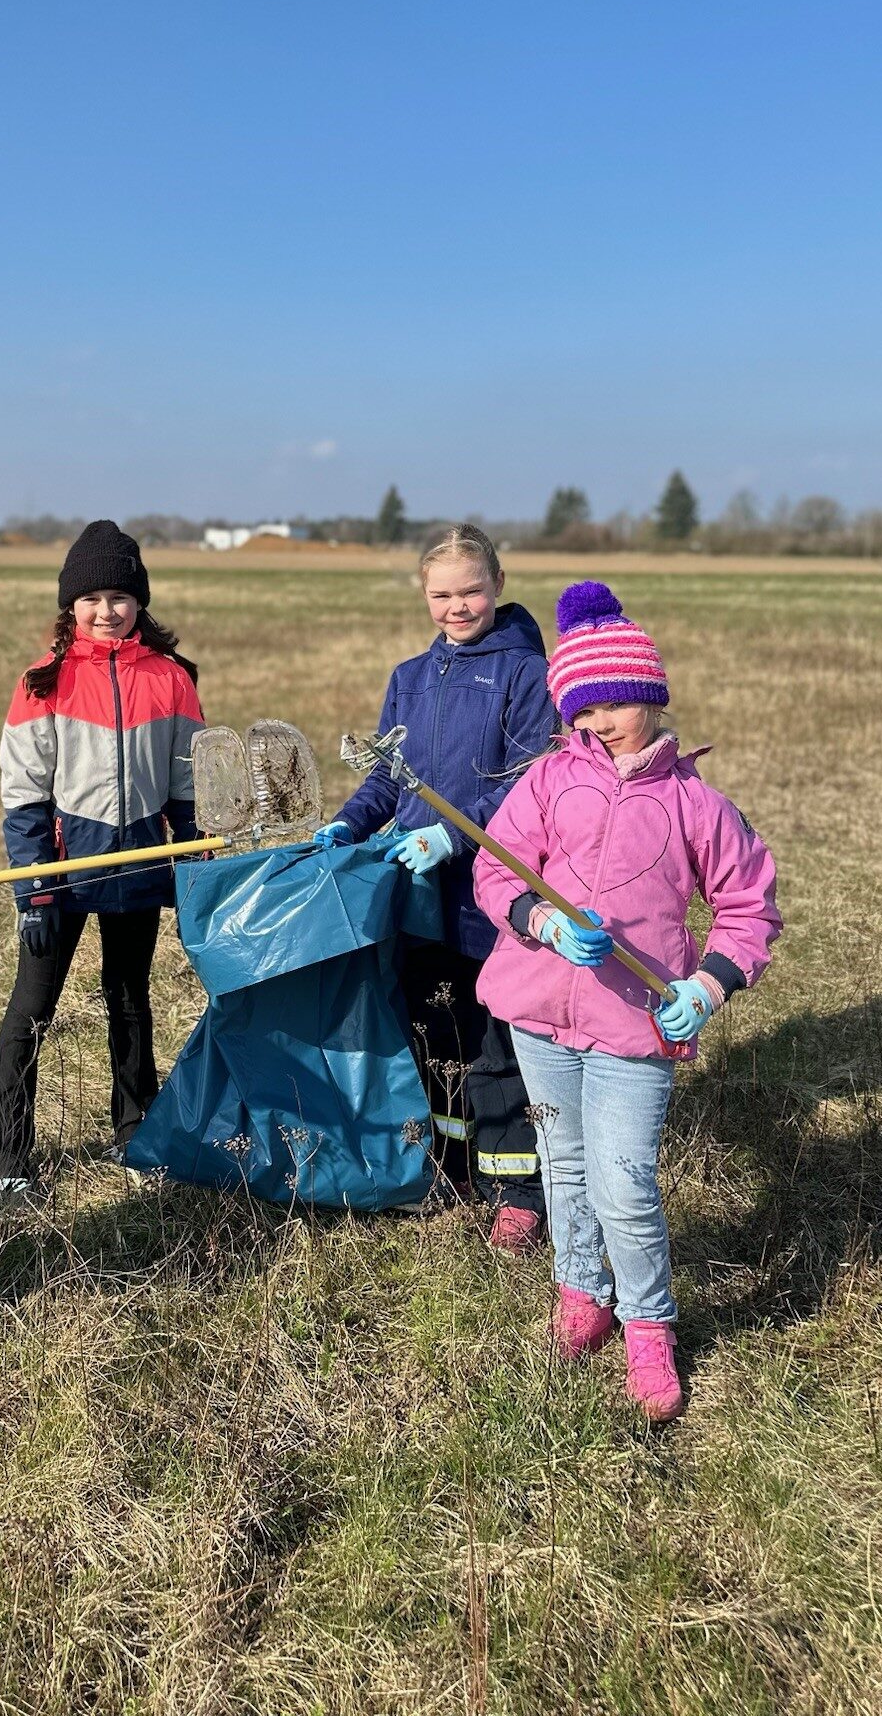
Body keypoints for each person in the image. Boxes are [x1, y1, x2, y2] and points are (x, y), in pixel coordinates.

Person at [474, 581, 781, 1421]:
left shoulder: (695, 804)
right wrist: (537, 918)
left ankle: (649, 1325)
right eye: (585, 709)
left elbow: (751, 904)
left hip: (633, 1030)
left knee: (623, 1182)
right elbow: (496, 867)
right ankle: (583, 1292)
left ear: (650, 695)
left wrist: (709, 984)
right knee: (565, 1166)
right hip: (540, 1015)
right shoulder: (547, 781)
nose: (601, 723)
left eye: (617, 704)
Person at [317, 523, 558, 1245]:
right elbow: (387, 776)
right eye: (442, 594)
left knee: (495, 1043)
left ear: (499, 587)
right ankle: (453, 1166)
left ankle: (517, 1189)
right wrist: (348, 824)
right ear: (424, 595)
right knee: (434, 1032)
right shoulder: (409, 678)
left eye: (472, 591)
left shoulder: (524, 675)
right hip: (421, 895)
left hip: (489, 891)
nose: (458, 606)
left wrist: (451, 835)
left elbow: (528, 788)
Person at [0, 521, 204, 1208]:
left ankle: (135, 1131)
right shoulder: (43, 682)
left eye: (120, 597)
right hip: (63, 874)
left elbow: (187, 787)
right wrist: (36, 890)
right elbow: (23, 798)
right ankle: (4, 1160)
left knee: (131, 1000)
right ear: (69, 607)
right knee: (32, 1010)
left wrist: (194, 868)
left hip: (138, 865)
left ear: (140, 602)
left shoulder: (173, 680)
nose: (107, 612)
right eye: (92, 599)